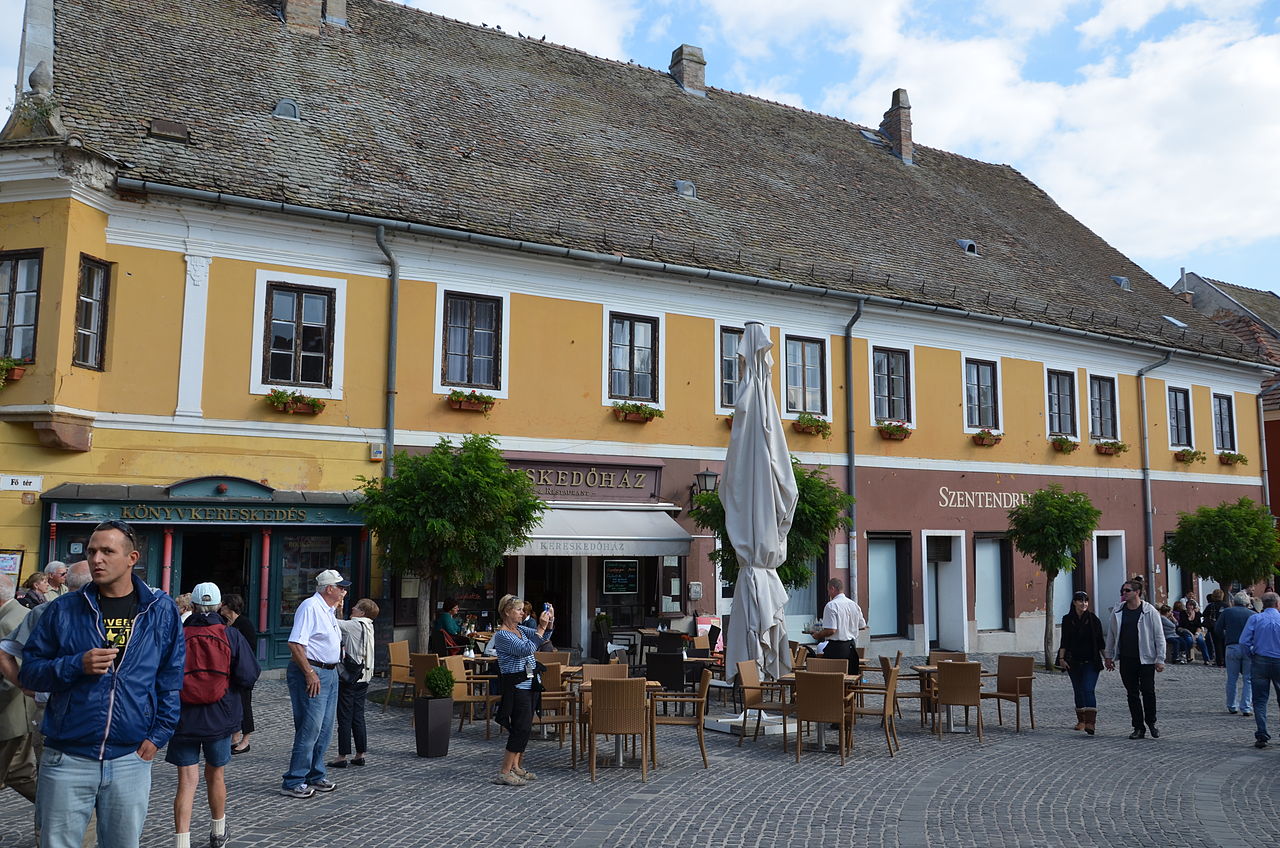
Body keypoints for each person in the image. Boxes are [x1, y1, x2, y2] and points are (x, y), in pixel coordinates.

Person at [21, 519, 185, 848]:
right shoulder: (63, 609)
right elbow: (30, 673)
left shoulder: (159, 610)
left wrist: (158, 735)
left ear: (131, 558)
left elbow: (170, 677)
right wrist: (75, 664)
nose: (96, 559)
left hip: (130, 758)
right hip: (67, 756)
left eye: (107, 551)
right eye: (92, 551)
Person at [167, 582, 260, 848]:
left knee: (186, 781)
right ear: (219, 606)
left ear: (193, 605)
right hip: (219, 717)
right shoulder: (230, 635)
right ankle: (218, 831)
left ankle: (181, 842)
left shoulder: (178, 635)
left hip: (183, 717)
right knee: (215, 774)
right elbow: (249, 675)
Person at [280, 568, 349, 798]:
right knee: (310, 727)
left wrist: (338, 610)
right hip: (313, 670)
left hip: (329, 671)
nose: (343, 591)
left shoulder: (328, 609)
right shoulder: (310, 607)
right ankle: (294, 779)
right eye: (340, 587)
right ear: (329, 588)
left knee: (326, 728)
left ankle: (315, 774)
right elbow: (295, 643)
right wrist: (309, 673)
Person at [491, 594, 553, 786]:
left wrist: (549, 622)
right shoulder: (502, 635)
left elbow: (541, 639)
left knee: (525, 728)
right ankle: (504, 771)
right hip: (517, 686)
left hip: (530, 683)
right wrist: (541, 627)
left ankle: (516, 766)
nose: (522, 613)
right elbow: (526, 649)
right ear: (507, 612)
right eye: (518, 610)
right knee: (520, 728)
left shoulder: (519, 629)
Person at [1103, 576, 1165, 740]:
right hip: (1126, 658)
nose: (1124, 593)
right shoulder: (1118, 611)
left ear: (1137, 592)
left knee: (1148, 691)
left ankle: (1151, 722)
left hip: (1146, 659)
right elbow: (1111, 635)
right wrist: (1108, 656)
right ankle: (1138, 727)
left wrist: (1160, 658)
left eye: (1127, 590)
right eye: (1122, 590)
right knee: (1132, 693)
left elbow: (1159, 636)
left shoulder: (1149, 611)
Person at [328, 598, 379, 769]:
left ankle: (342, 756)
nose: (353, 608)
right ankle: (360, 754)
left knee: (344, 716)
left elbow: (333, 624)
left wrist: (334, 606)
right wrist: (341, 610)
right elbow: (343, 626)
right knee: (358, 715)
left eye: (356, 607)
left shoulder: (354, 625)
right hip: (364, 677)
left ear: (362, 612)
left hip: (350, 677)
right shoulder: (368, 626)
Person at [0, 574, 37, 804]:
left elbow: (14, 672)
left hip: (11, 714)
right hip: (17, 714)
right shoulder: (17, 613)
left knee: (20, 772)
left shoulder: (7, 620)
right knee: (20, 772)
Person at [1057, 590, 1105, 735]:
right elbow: (1064, 641)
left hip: (1091, 661)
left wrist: (1107, 659)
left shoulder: (1093, 620)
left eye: (1086, 601)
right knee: (1078, 690)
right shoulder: (1067, 619)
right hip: (1073, 661)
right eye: (1080, 601)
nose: (1083, 604)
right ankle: (1081, 721)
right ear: (1074, 603)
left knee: (1088, 688)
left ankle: (1091, 722)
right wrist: (1061, 659)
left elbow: (1100, 642)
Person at [218, 593, 258, 754]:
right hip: (228, 672)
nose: (220, 606)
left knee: (244, 704)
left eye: (223, 603)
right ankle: (234, 737)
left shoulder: (244, 623)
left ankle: (245, 740)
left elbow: (250, 648)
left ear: (229, 606)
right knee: (233, 704)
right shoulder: (224, 623)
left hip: (242, 670)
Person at [1239, 591, 1280, 749]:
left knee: (1260, 700)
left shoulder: (1255, 618)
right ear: (1277, 604)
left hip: (1260, 660)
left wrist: (1251, 655)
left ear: (1263, 604)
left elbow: (1243, 642)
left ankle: (1262, 734)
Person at [810, 577, 867, 675]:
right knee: (849, 678)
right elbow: (862, 626)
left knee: (832, 678)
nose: (828, 593)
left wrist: (818, 635)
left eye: (828, 590)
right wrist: (848, 628)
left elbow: (831, 630)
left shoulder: (831, 605)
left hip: (836, 648)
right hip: (851, 647)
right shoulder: (854, 605)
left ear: (832, 588)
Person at [1217, 591, 1256, 716]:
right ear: (1247, 602)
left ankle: (1232, 705)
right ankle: (1246, 707)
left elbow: (1217, 629)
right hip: (1248, 648)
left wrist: (1226, 636)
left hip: (1232, 646)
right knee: (1248, 679)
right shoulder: (1252, 614)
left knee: (1232, 678)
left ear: (1235, 601)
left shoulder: (1227, 612)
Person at [1178, 599, 1211, 664]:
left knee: (1201, 641)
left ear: (1194, 607)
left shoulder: (1198, 614)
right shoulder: (1182, 614)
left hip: (1196, 631)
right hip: (1186, 630)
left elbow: (1199, 626)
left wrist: (1197, 634)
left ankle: (1206, 659)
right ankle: (1187, 657)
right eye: (1188, 606)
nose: (1189, 607)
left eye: (1191, 606)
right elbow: (1183, 625)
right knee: (1189, 640)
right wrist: (1189, 616)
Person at [1203, 589, 1227, 667]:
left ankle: (1219, 661)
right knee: (1224, 644)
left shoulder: (1211, 606)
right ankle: (1226, 661)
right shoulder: (1226, 605)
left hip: (1214, 627)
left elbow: (1204, 614)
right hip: (1224, 627)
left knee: (1217, 645)